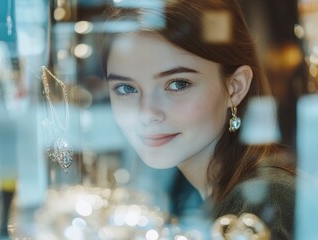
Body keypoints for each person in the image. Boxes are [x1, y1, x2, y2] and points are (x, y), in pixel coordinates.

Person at [99, 0, 296, 239]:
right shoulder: (191, 198)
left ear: (235, 87)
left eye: (177, 84)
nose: (147, 113)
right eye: (126, 89)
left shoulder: (268, 203)